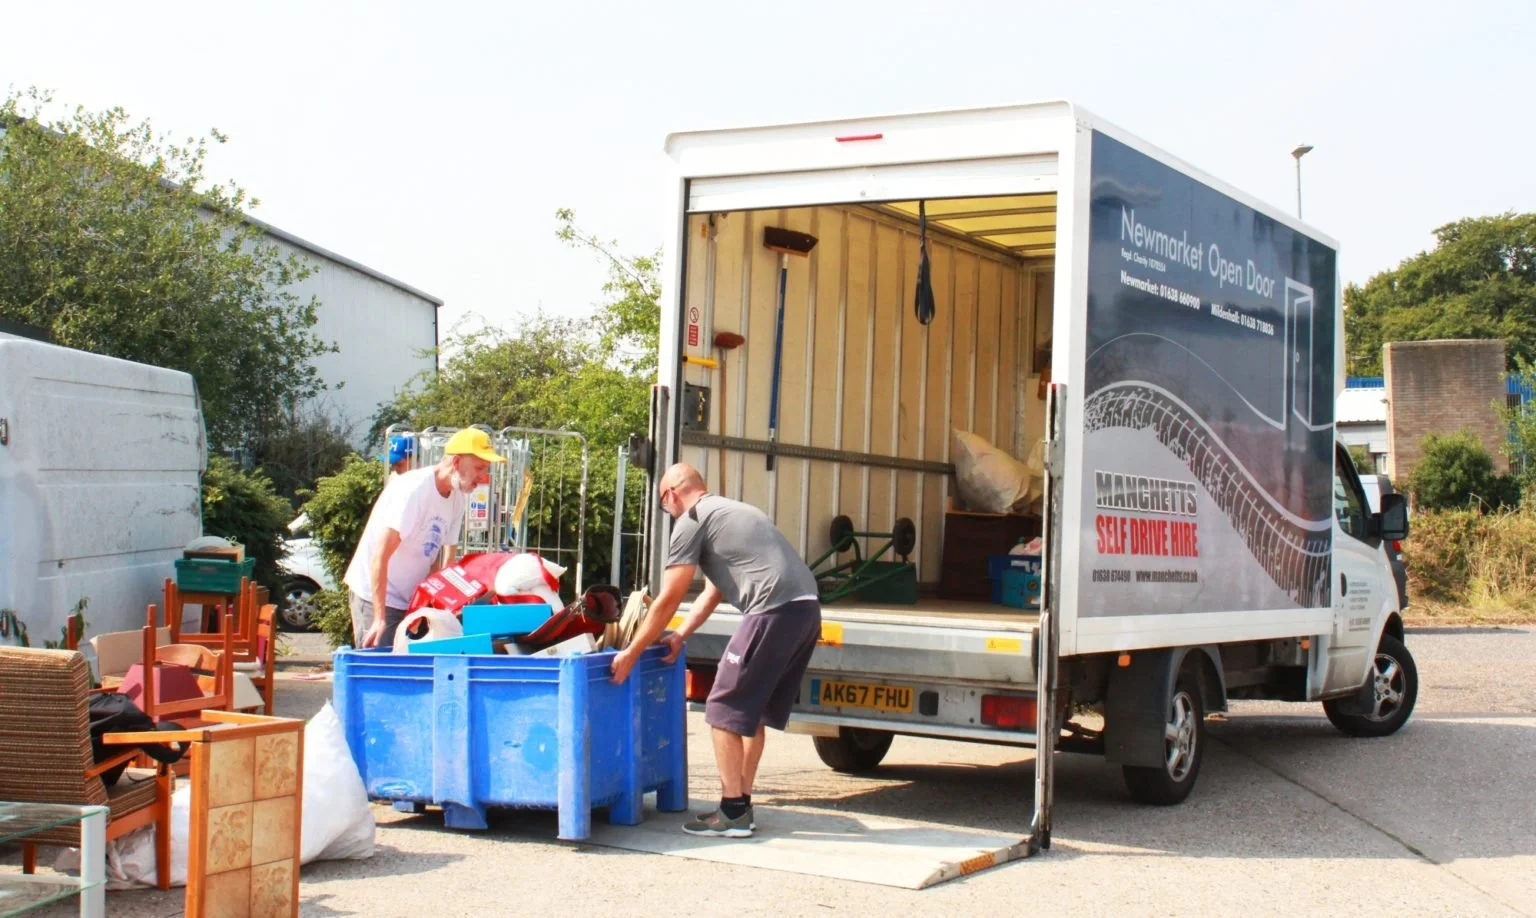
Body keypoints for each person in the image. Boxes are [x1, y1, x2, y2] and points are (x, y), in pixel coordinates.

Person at [611, 463, 822, 839]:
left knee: (722, 710)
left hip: (772, 609)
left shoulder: (691, 519)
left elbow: (670, 595)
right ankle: (740, 805)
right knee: (748, 712)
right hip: (805, 609)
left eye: (664, 505)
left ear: (671, 494)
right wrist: (680, 635)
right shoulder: (733, 511)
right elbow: (713, 591)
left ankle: (733, 813)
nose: (668, 512)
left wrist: (631, 651)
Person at [343, 428, 505, 649]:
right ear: (456, 462)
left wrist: (428, 606)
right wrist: (379, 618)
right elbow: (379, 556)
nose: (482, 477)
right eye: (478, 468)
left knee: (408, 673)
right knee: (380, 671)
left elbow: (443, 562)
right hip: (378, 597)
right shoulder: (414, 490)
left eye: (486, 469)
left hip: (408, 598)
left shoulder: (457, 498)